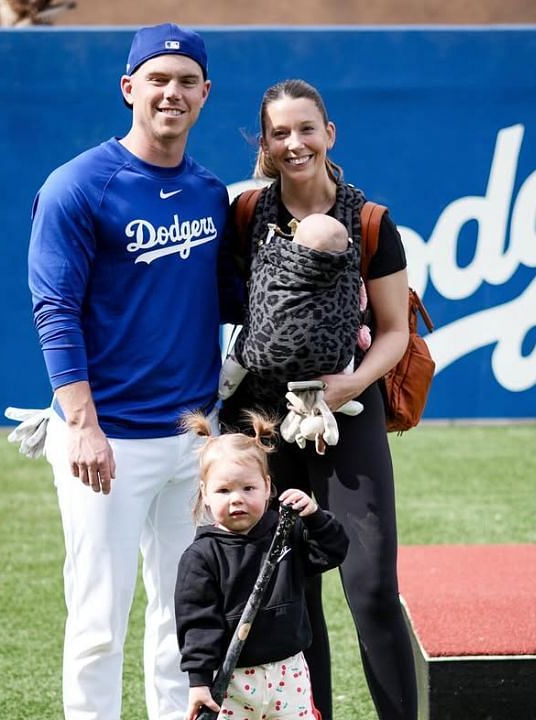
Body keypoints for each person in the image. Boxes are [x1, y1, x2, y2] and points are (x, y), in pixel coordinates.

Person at [27, 22, 228, 720]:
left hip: (193, 438)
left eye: (185, 81)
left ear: (205, 93)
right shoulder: (79, 184)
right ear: (129, 88)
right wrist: (81, 424)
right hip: (108, 438)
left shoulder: (209, 193)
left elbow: (227, 299)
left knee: (185, 614)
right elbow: (54, 308)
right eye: (158, 79)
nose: (171, 93)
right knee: (97, 622)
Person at [219, 78, 417, 719]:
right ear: (267, 144)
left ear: (329, 134)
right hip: (262, 421)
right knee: (292, 595)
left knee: (371, 588)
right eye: (281, 133)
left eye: (307, 129)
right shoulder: (247, 216)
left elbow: (394, 333)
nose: (295, 143)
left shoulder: (369, 221)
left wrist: (353, 384)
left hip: (345, 411)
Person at [174, 410, 348, 720]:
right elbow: (197, 625)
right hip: (232, 683)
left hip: (289, 672)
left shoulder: (286, 533)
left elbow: (332, 552)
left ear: (268, 487)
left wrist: (315, 518)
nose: (236, 499)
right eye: (224, 491)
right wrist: (198, 681)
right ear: (206, 495)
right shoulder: (201, 557)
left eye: (248, 488)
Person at [218, 213, 367, 417]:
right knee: (346, 344)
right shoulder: (347, 273)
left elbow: (255, 296)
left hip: (261, 357)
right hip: (329, 360)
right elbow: (359, 306)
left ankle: (225, 387)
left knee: (242, 351)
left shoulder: (273, 256)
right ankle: (341, 396)